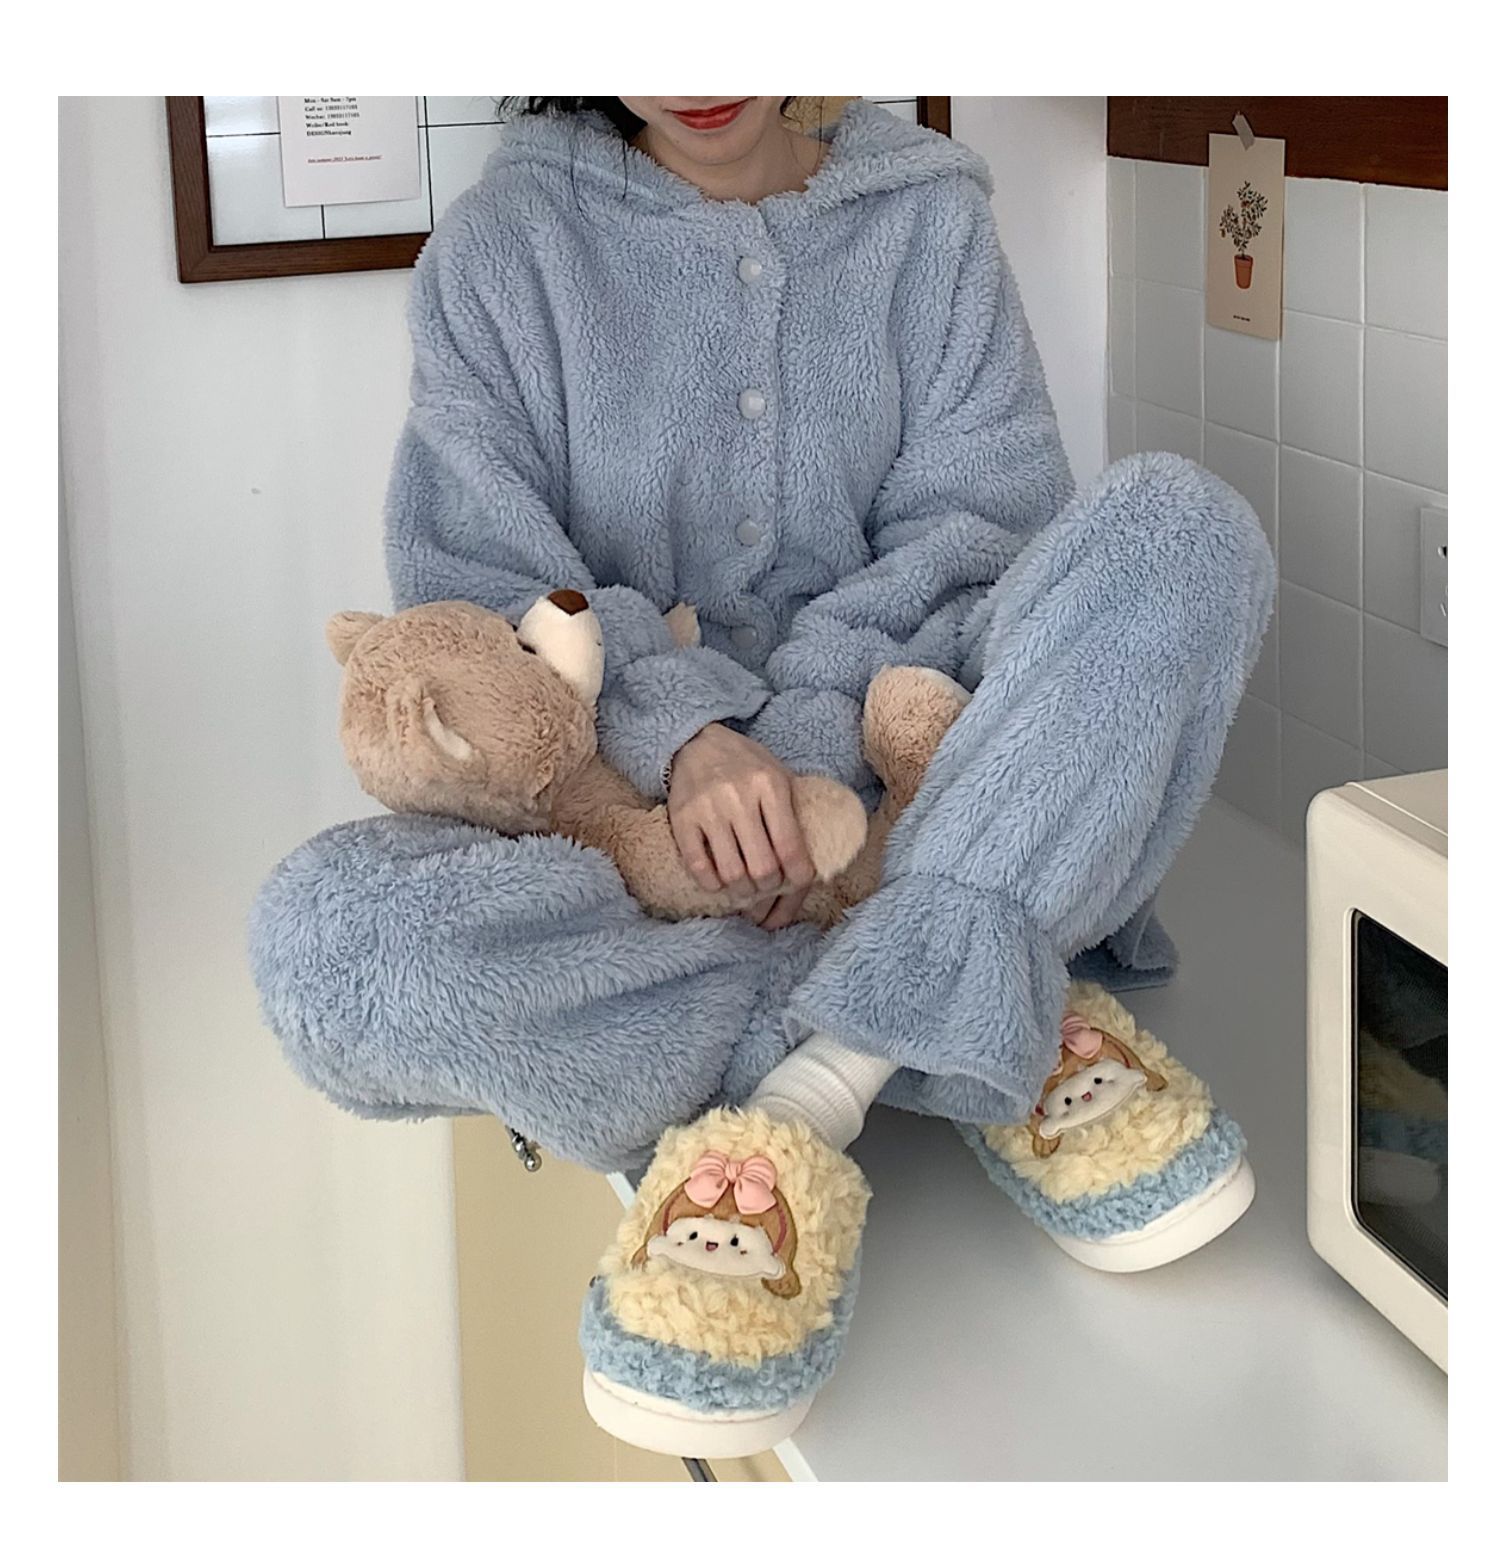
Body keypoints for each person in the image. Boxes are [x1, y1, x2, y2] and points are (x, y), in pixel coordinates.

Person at [250, 97, 1274, 1457]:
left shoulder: (928, 221)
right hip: (633, 843)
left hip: (907, 787)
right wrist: (686, 735)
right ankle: (932, 1005)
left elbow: (978, 537)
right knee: (325, 944)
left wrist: (803, 753)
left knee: (1182, 528)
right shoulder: (505, 247)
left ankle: (805, 1086)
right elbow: (478, 586)